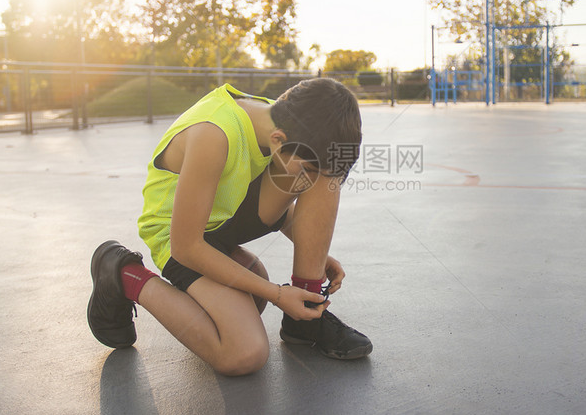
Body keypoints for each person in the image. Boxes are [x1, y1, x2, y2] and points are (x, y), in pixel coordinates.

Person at [87, 78, 372, 376]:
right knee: (244, 353)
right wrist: (276, 293)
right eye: (305, 170)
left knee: (327, 172)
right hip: (180, 236)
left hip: (223, 220)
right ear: (277, 139)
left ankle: (306, 321)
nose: (308, 182)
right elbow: (187, 248)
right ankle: (123, 274)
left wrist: (313, 252)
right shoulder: (215, 133)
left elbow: (284, 209)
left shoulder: (284, 122)